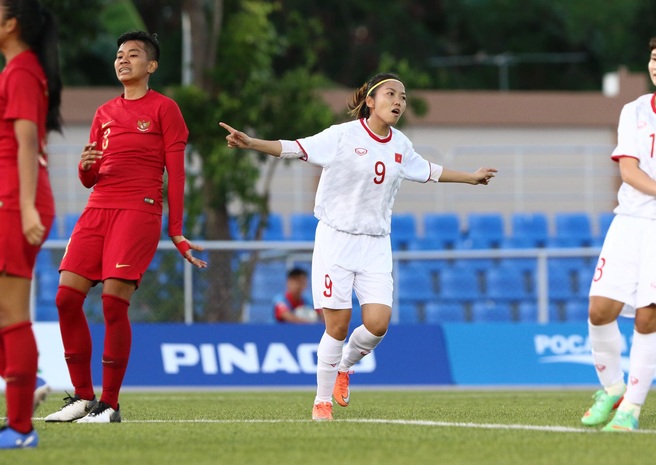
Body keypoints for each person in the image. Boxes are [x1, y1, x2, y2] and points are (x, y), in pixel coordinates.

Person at [220, 73, 497, 421]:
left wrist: (470, 177)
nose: (399, 101)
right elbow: (295, 148)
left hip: (376, 243)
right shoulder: (342, 136)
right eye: (391, 94)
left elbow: (429, 170)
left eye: (404, 97)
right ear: (370, 100)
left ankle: (345, 367)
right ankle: (322, 402)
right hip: (336, 239)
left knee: (378, 323)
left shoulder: (401, 145)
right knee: (337, 325)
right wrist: (252, 142)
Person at [44, 31, 207, 424]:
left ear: (150, 66)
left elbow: (177, 174)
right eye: (119, 55)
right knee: (66, 299)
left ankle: (110, 404)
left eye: (133, 55)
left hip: (138, 211)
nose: (123, 60)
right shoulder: (103, 113)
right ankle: (82, 398)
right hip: (96, 209)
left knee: (113, 301)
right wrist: (86, 166)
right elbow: (90, 177)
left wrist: (177, 230)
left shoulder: (165, 109)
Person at [582, 28, 656, 432]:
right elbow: (628, 170)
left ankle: (631, 409)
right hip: (630, 222)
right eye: (654, 58)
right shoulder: (634, 110)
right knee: (599, 310)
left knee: (648, 317)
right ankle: (612, 388)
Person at [0, 0, 61, 448]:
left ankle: (21, 428)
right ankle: (25, 385)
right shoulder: (18, 70)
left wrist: (24, 208)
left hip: (12, 202)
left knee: (11, 312)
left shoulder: (21, 71)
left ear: (12, 23)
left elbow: (25, 144)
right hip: (10, 199)